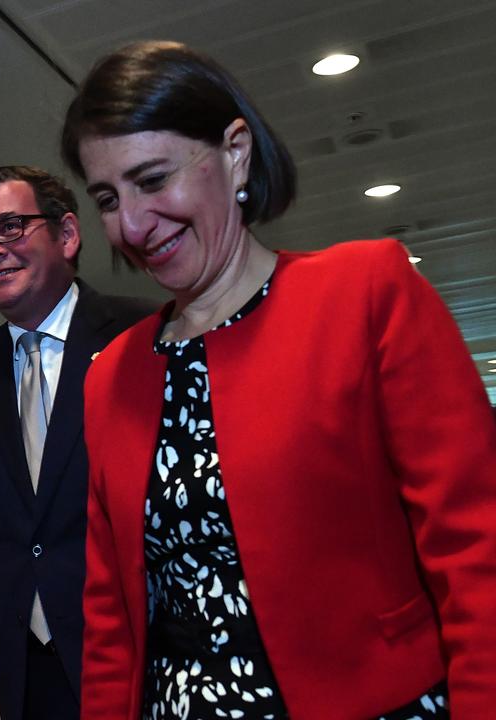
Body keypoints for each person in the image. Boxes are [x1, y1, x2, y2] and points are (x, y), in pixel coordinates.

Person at [61, 40, 496, 719]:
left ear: (235, 151)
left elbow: (478, 553)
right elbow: (110, 615)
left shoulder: (365, 293)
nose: (132, 225)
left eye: (151, 180)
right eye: (108, 198)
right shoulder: (112, 375)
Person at [0, 166, 154, 720]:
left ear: (67, 235)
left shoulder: (142, 338)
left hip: (140, 660)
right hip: (30, 672)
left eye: (11, 227)